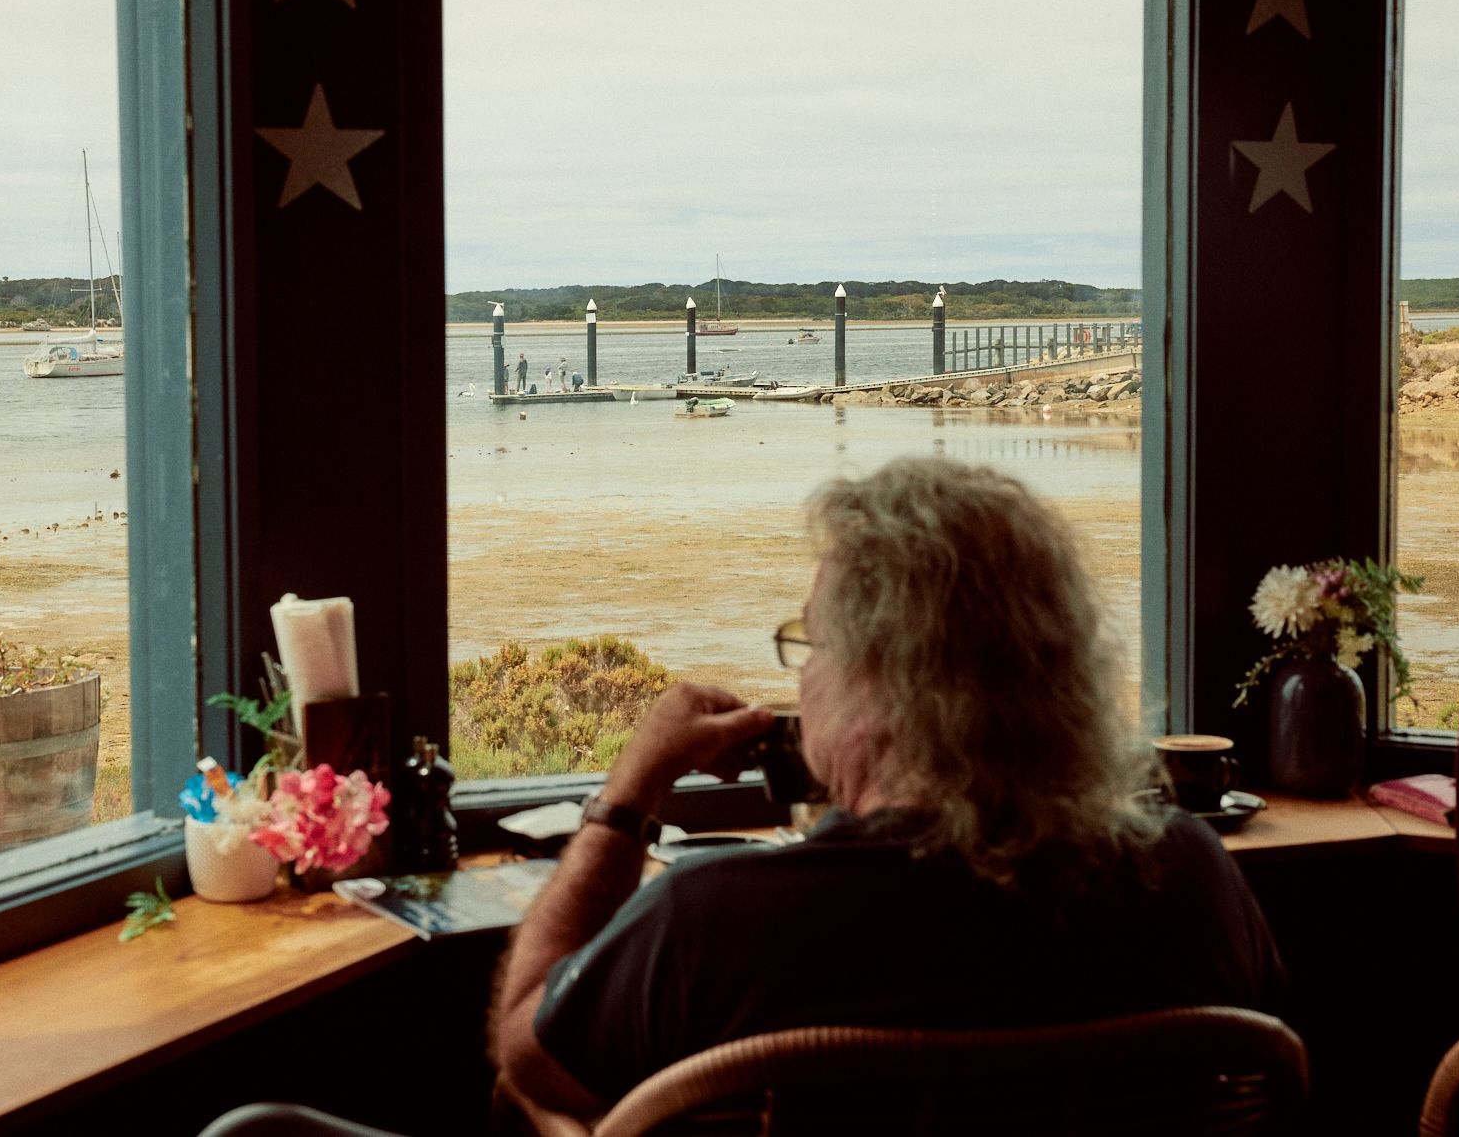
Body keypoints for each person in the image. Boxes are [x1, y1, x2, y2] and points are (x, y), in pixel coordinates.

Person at [491, 459, 1284, 1117]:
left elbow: (530, 1057)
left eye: (813, 643)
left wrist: (627, 795)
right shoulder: (1187, 876)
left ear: (881, 678)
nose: (803, 675)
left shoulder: (710, 918)